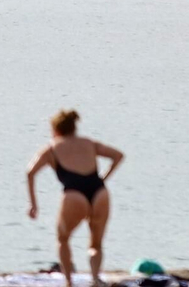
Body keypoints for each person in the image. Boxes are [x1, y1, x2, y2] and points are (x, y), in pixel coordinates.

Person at [25, 110, 123, 287]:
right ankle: (95, 279)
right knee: (96, 243)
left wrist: (33, 205)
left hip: (73, 195)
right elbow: (118, 156)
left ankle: (69, 282)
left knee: (63, 239)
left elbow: (30, 172)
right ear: (73, 127)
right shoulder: (89, 143)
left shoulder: (51, 148)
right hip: (99, 192)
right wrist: (104, 178)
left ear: (55, 129)